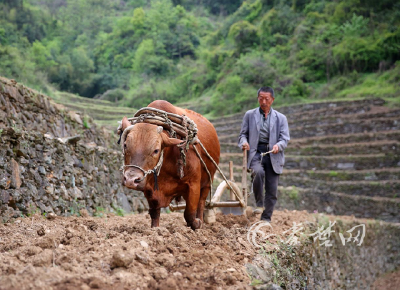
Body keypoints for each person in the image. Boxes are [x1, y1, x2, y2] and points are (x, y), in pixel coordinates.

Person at [238, 86, 290, 222]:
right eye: (261, 99)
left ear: (272, 100)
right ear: (258, 99)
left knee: (272, 190)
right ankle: (259, 204)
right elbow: (242, 135)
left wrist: (278, 146)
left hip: (273, 154)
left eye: (267, 99)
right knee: (257, 172)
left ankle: (266, 219)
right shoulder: (250, 115)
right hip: (256, 152)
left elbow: (285, 138)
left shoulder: (281, 118)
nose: (264, 102)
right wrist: (244, 142)